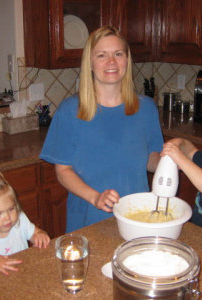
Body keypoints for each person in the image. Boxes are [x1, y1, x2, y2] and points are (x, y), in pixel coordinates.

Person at [40, 26, 163, 232]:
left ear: (127, 59)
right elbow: (62, 171)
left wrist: (171, 163)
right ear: (90, 62)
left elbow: (151, 159)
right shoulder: (70, 111)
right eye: (101, 55)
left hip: (138, 219)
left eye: (118, 54)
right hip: (89, 218)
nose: (111, 62)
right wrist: (95, 197)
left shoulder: (146, 109)